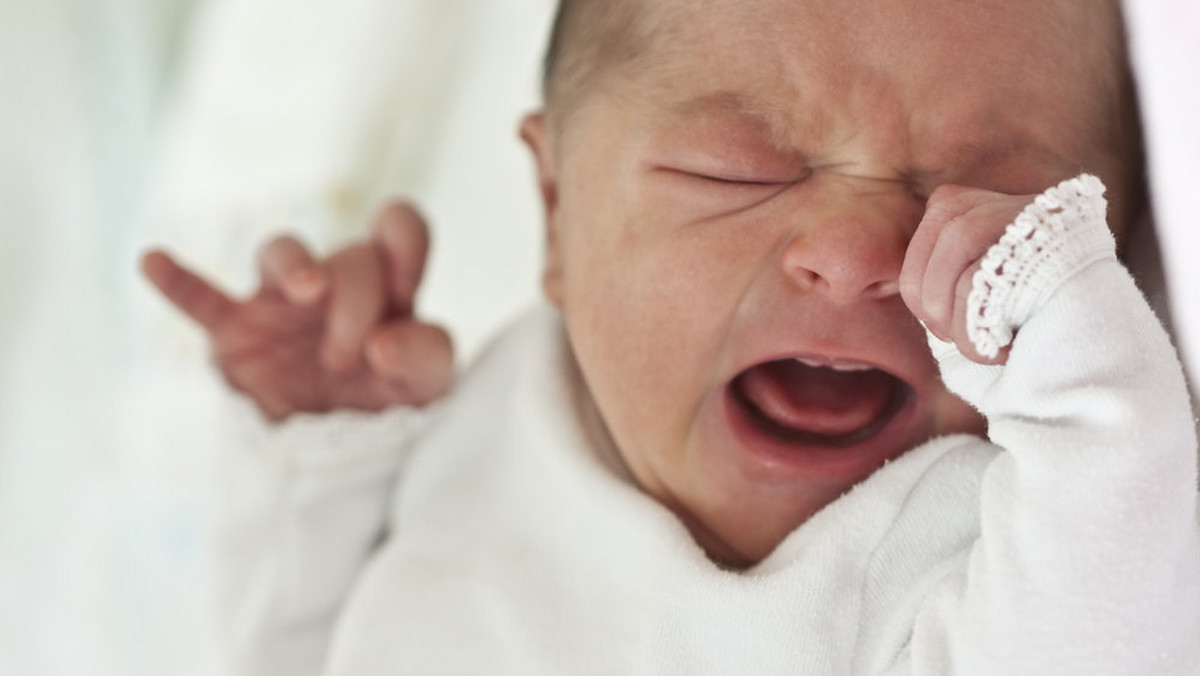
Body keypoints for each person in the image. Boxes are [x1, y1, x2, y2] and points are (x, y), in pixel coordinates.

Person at [142, 0, 1200, 673]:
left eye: (989, 203)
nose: (852, 249)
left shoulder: (984, 528)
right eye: (733, 171)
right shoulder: (490, 409)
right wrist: (320, 452)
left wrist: (1085, 376)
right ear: (556, 208)